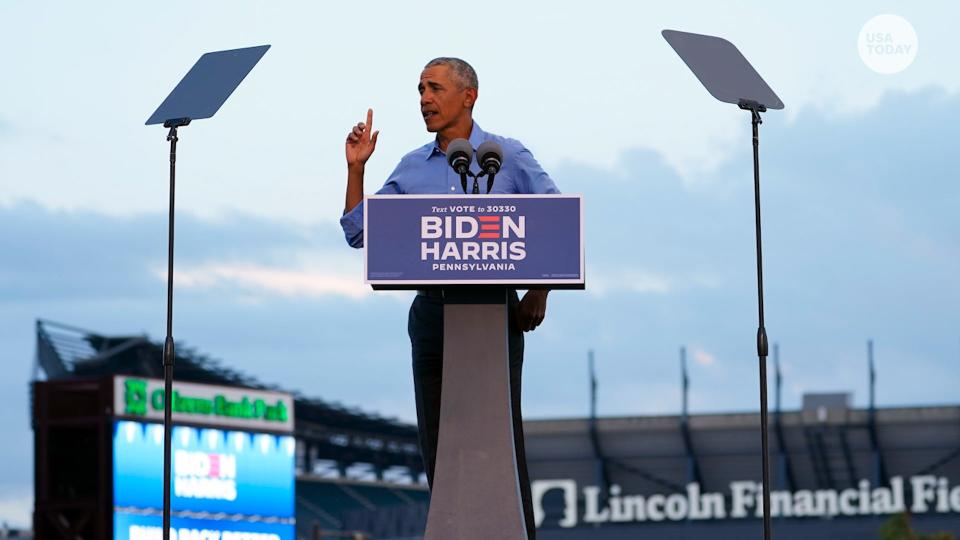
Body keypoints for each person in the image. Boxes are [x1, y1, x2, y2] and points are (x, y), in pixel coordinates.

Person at [339, 57, 558, 539]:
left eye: (434, 88)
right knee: (437, 442)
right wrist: (356, 169)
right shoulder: (412, 166)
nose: (424, 100)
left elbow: (558, 224)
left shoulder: (508, 156)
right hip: (434, 315)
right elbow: (359, 233)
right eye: (420, 90)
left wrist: (538, 289)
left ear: (468, 96)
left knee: (502, 439)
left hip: (493, 312)